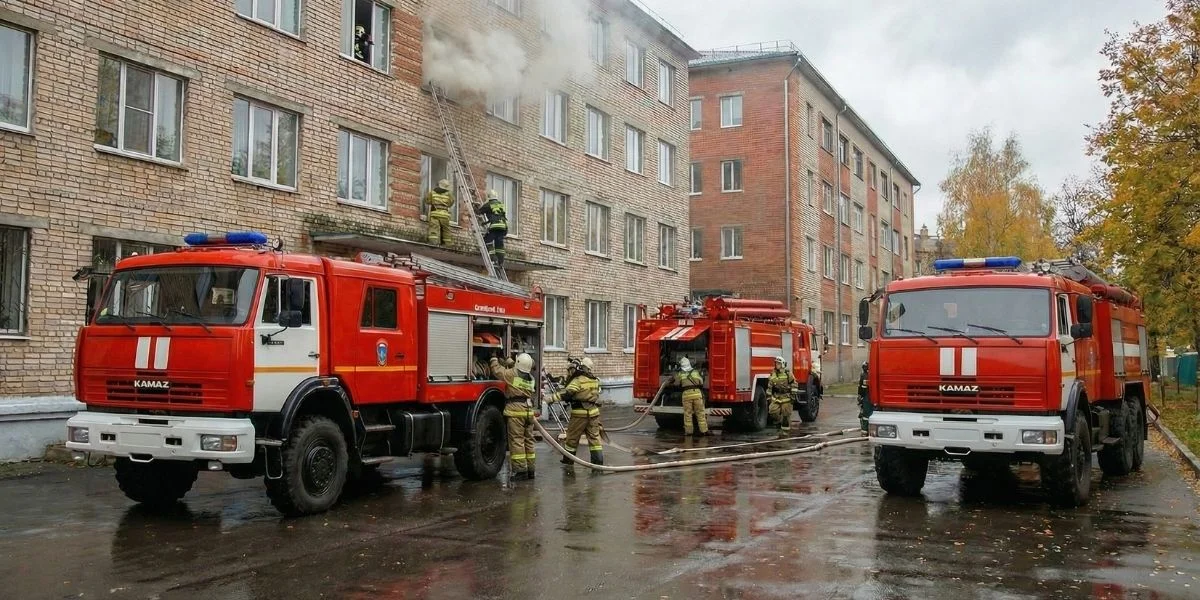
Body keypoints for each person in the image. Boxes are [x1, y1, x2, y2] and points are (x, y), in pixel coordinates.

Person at [490, 352, 537, 481]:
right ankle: (531, 470)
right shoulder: (531, 378)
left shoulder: (511, 375)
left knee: (517, 441)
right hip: (528, 412)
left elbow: (497, 371)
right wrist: (510, 362)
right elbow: (518, 370)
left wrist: (494, 358)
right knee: (528, 441)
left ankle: (520, 471)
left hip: (516, 412)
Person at [550, 357, 604, 466]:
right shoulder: (595, 380)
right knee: (595, 440)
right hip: (593, 413)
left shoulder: (578, 380)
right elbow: (597, 393)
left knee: (572, 439)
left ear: (581, 367)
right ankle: (598, 464)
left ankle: (568, 461)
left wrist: (551, 398)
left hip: (579, 414)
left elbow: (567, 393)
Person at [669, 357, 709, 436]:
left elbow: (676, 383)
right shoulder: (695, 372)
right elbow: (701, 382)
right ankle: (704, 431)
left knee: (688, 414)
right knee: (700, 413)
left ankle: (689, 432)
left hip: (686, 394)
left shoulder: (681, 374)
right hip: (697, 394)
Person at [475, 190, 508, 267]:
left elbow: (479, 212)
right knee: (499, 244)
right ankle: (501, 261)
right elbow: (499, 215)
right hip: (503, 226)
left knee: (487, 241)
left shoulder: (488, 205)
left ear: (489, 197)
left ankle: (494, 259)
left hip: (495, 226)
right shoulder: (501, 204)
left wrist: (475, 207)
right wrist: (485, 223)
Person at [767, 356, 798, 435]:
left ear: (782, 364)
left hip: (787, 398)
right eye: (776, 363)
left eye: (778, 363)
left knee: (786, 416)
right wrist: (768, 397)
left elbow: (794, 384)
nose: (777, 365)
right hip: (776, 397)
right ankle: (779, 423)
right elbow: (770, 386)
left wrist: (793, 396)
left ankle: (785, 433)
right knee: (772, 411)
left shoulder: (788, 373)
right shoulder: (773, 374)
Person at [426, 178, 454, 246]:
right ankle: (447, 245)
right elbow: (451, 203)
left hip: (434, 214)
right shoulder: (449, 194)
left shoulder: (432, 192)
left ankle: (433, 243)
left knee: (433, 229)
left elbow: (428, 201)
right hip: (445, 215)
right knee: (446, 230)